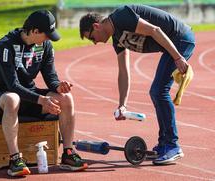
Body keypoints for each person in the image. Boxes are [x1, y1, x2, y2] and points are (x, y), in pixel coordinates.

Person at [79, 5, 195, 165]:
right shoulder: (117, 39)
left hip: (180, 39)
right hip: (175, 44)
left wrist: (177, 57)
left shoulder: (121, 16)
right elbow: (124, 71)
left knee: (159, 91)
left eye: (91, 37)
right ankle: (164, 145)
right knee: (157, 91)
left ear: (96, 26)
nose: (94, 43)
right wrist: (122, 106)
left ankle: (172, 145)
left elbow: (154, 31)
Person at [0, 10, 88, 177]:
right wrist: (42, 100)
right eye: (46, 35)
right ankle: (15, 160)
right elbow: (12, 85)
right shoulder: (5, 45)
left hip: (30, 96)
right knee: (13, 99)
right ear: (34, 31)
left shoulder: (45, 46)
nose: (49, 39)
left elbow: (50, 77)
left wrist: (59, 87)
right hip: (3, 97)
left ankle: (68, 154)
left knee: (66, 98)